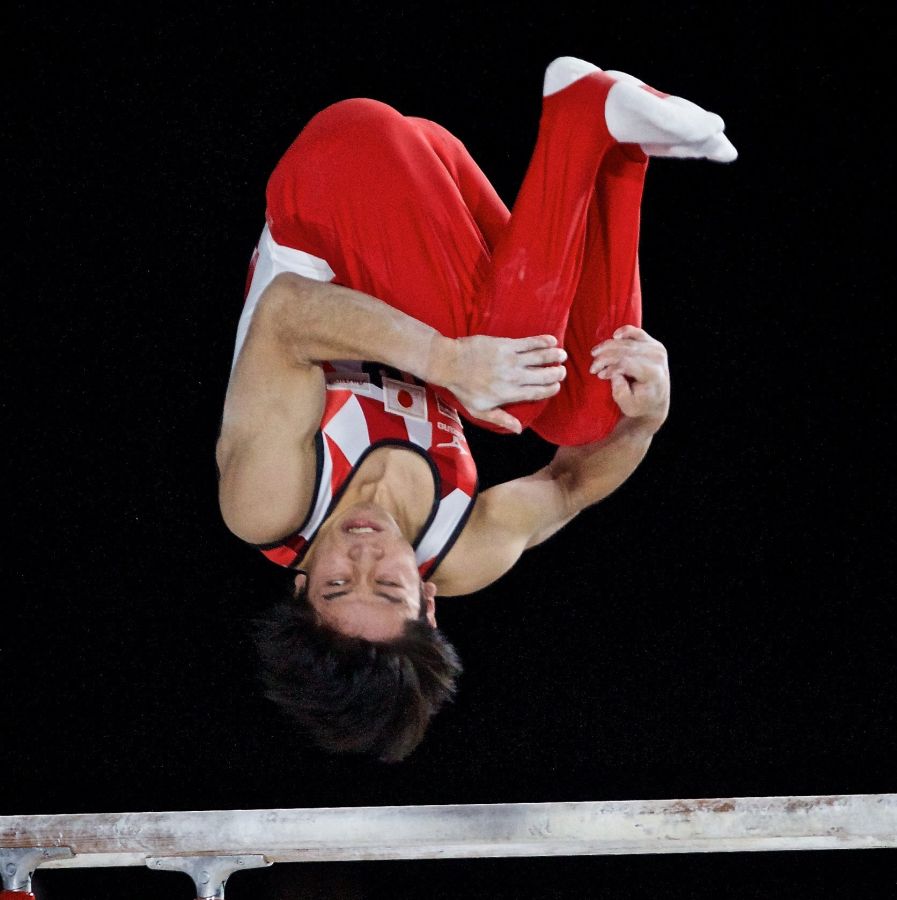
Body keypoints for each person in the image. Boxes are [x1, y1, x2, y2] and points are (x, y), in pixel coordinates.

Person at [215, 56, 736, 762]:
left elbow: (286, 315)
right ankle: (619, 159)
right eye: (388, 584)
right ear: (427, 602)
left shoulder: (268, 504)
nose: (365, 551)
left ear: (302, 583)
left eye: (339, 581)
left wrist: (444, 361)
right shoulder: (460, 551)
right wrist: (648, 415)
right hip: (428, 180)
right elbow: (572, 483)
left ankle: (586, 120)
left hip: (335, 174)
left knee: (505, 397)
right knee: (587, 413)